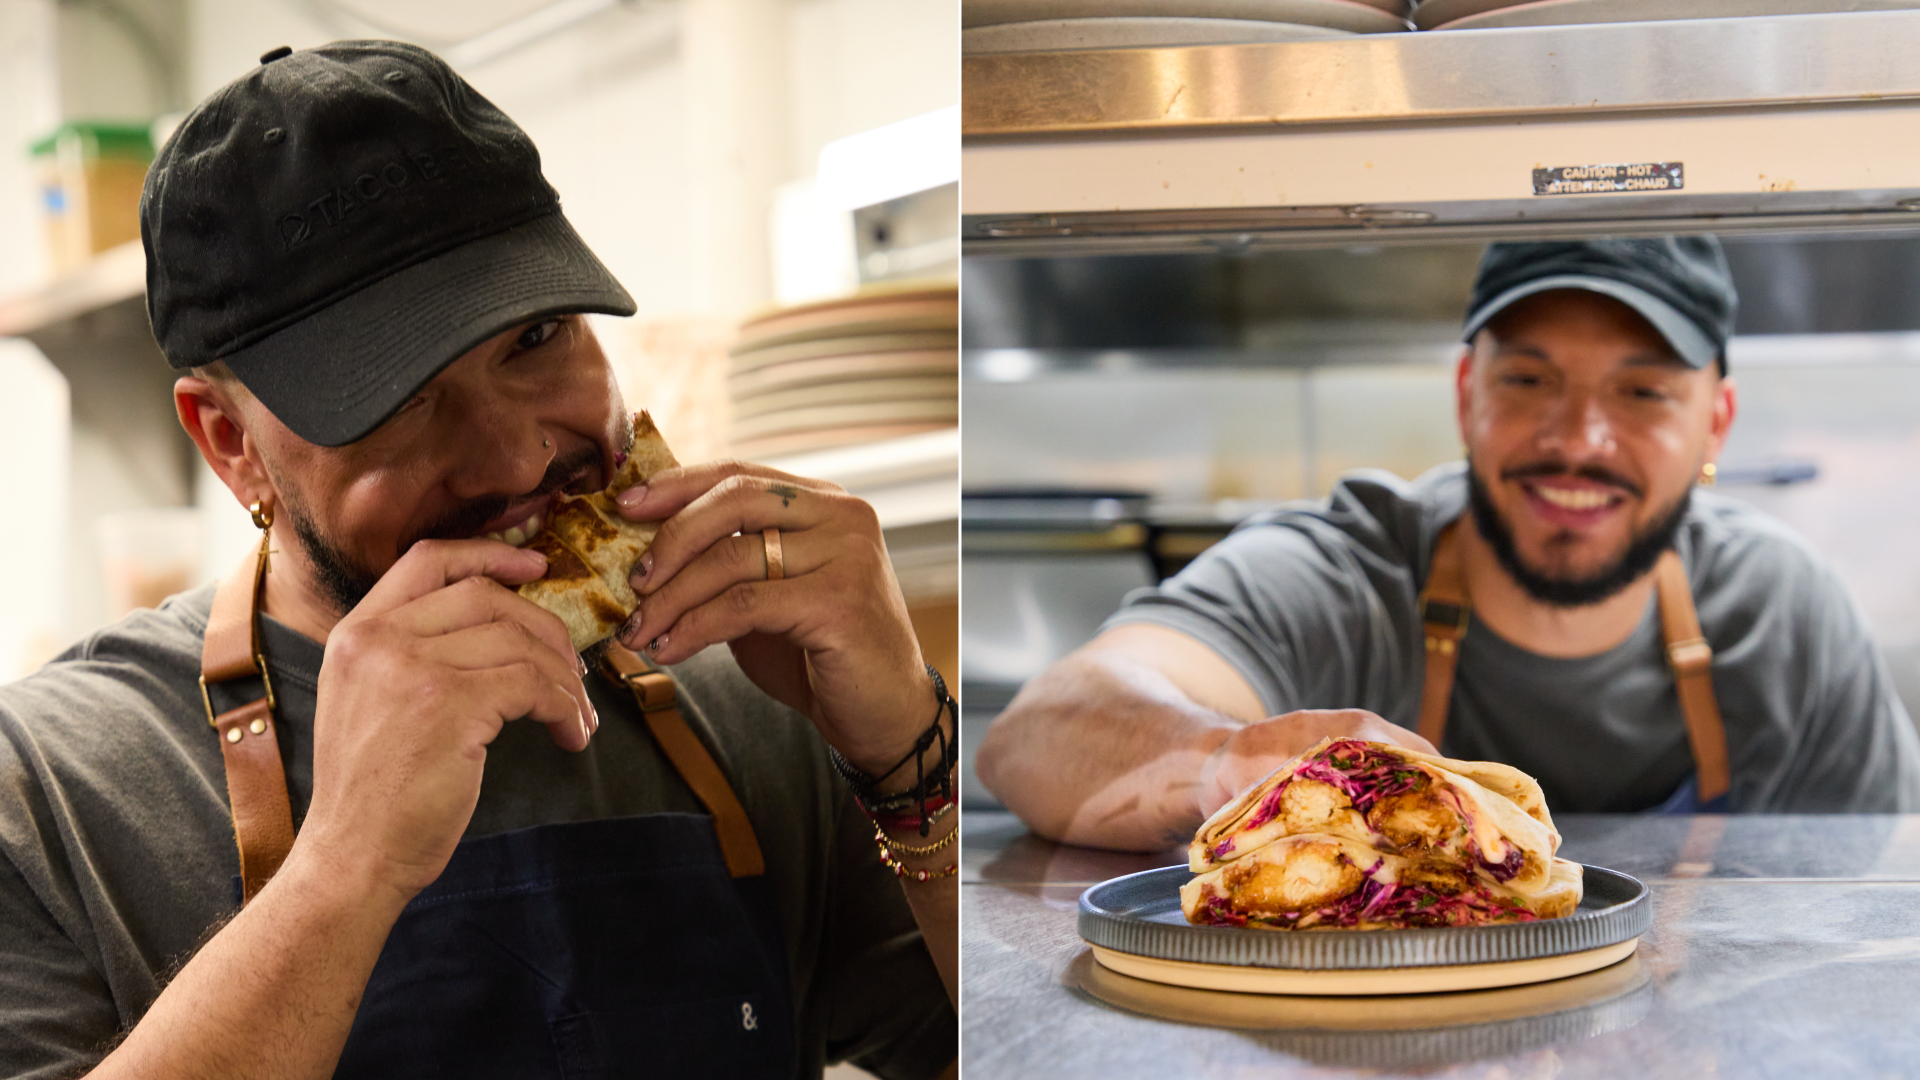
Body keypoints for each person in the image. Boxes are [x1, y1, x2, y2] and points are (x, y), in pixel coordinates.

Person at [0, 41, 955, 1078]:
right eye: (398, 398)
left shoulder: (750, 687)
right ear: (232, 444)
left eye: (536, 335)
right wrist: (343, 871)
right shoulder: (53, 794)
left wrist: (911, 752)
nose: (517, 457)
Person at [977, 235, 1920, 853]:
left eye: (1643, 392)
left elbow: (1881, 909)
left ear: (1715, 424)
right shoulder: (1349, 574)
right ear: (1467, 392)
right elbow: (1038, 734)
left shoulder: (1783, 613)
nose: (1580, 439)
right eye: (1530, 380)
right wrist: (1229, 760)